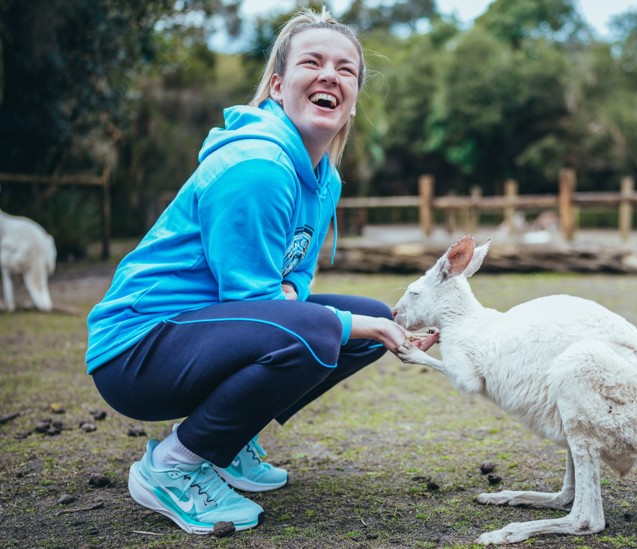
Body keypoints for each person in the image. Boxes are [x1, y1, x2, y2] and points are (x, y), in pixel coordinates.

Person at [85, 8, 436, 535]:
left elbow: (296, 277)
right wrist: (341, 322)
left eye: (345, 70)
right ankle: (174, 466)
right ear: (277, 85)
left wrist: (352, 320)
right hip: (137, 352)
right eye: (312, 62)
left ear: (354, 99)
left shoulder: (323, 179)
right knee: (331, 329)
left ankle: (226, 442)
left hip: (207, 333)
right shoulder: (258, 167)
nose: (329, 76)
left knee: (364, 319)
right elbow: (255, 304)